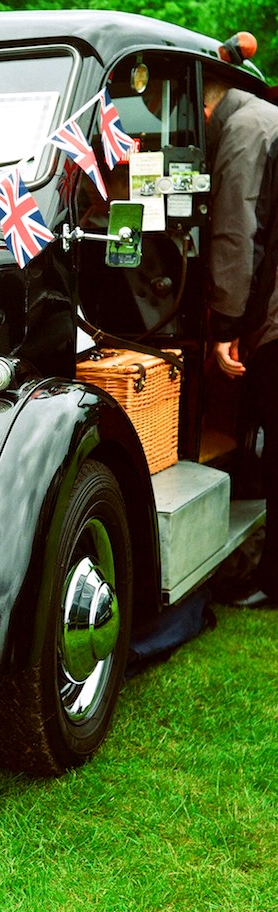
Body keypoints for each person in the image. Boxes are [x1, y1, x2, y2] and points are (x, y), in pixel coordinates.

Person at [205, 74, 278, 609]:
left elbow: (237, 228)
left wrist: (226, 326)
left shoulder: (245, 129)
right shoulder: (263, 119)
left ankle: (271, 582)